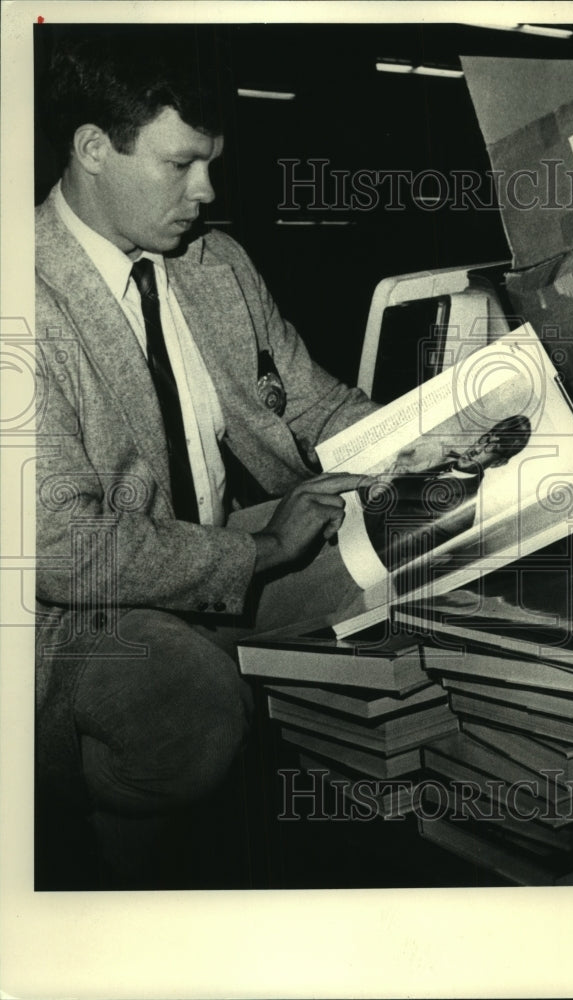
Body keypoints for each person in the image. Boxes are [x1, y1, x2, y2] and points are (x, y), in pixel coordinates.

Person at [34, 27, 377, 888]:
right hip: (76, 612)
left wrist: (436, 434)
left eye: (212, 162)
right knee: (191, 706)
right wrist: (259, 551)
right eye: (181, 163)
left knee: (414, 554)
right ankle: (103, 874)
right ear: (92, 149)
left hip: (212, 556)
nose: (207, 191)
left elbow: (316, 405)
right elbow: (62, 548)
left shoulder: (214, 262)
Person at [359, 414, 532, 571]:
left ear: (498, 463)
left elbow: (384, 547)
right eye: (484, 439)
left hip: (362, 548)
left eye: (491, 448)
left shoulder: (459, 512)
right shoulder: (445, 458)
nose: (477, 449)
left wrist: (377, 493)